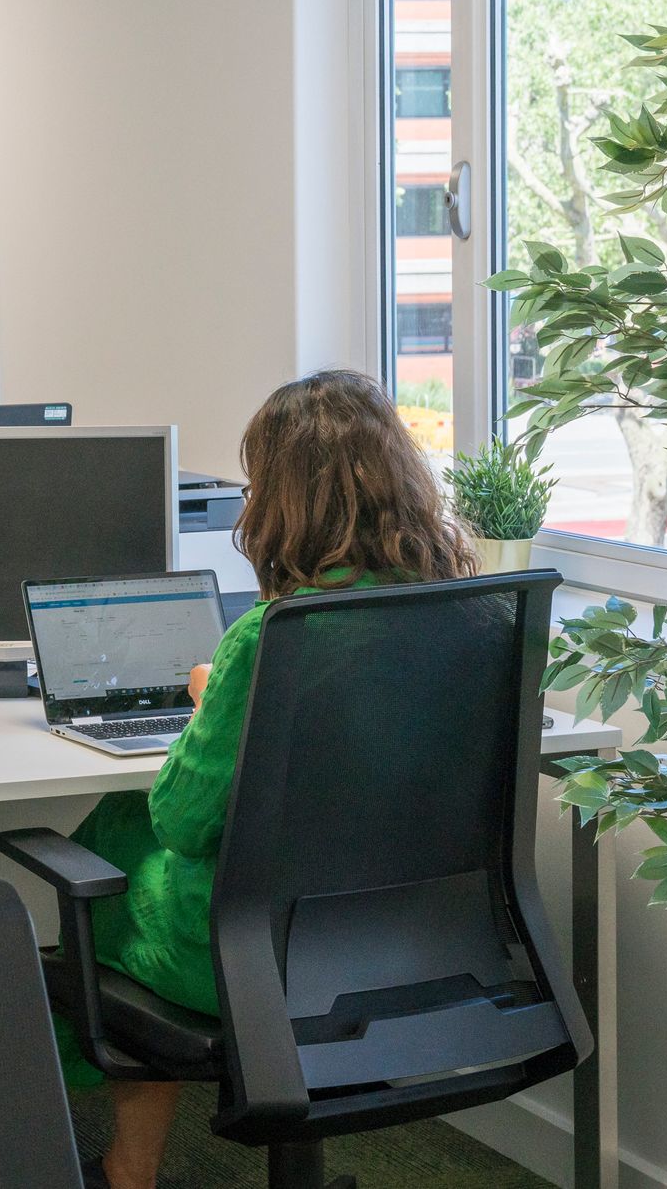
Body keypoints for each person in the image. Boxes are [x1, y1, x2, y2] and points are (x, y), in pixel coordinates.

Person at [66, 370, 475, 1189]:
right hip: (411, 942)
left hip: (262, 959)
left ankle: (128, 1170)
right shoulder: (464, 614)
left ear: (287, 501)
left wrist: (213, 699)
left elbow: (184, 820)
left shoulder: (271, 637)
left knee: (110, 844)